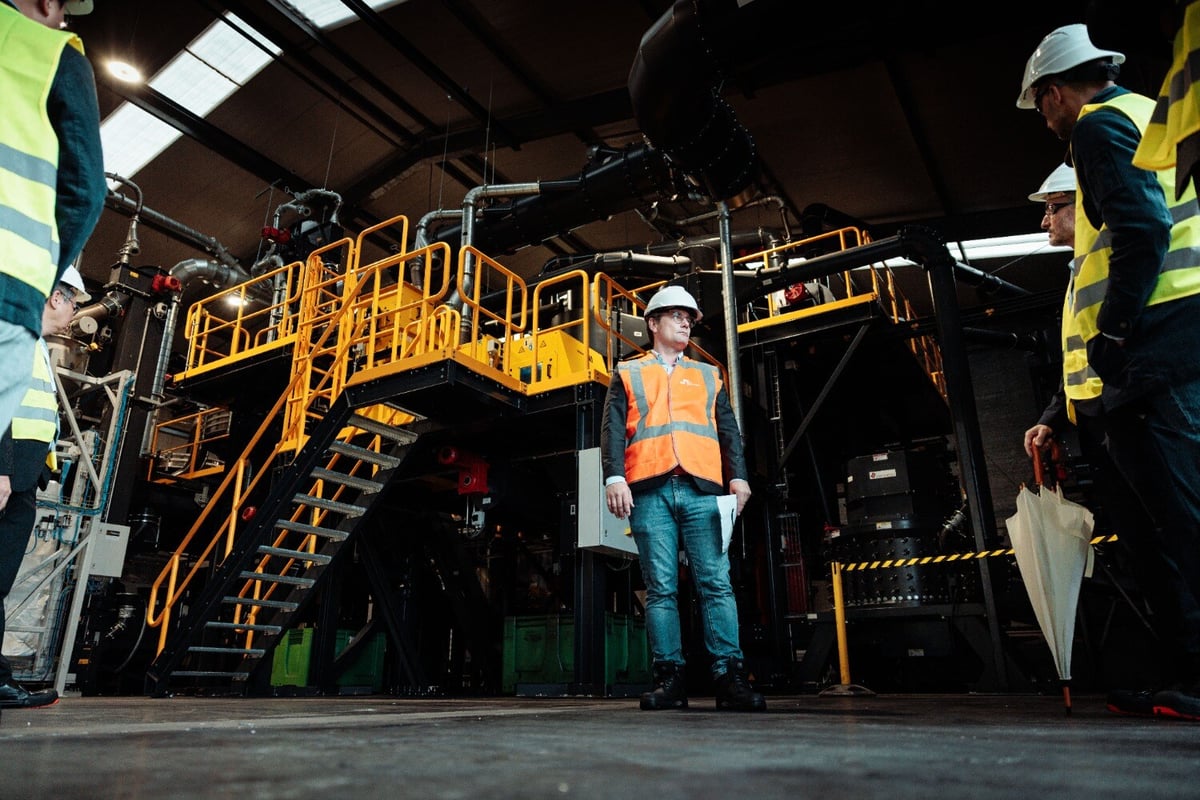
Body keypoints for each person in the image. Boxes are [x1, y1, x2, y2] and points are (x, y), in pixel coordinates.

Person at [1018, 23, 1200, 719]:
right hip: (1153, 356)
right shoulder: (1149, 116)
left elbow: (1146, 229)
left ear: (1055, 93)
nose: (1045, 118)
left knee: (1184, 522)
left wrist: (1116, 333)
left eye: (1040, 104)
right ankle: (1182, 675)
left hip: (1156, 348)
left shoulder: (1095, 127)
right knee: (1165, 532)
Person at [600, 284, 764, 712]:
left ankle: (730, 677)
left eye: (689, 317)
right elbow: (613, 429)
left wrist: (739, 478)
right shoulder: (628, 371)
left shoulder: (709, 375)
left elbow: (728, 430)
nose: (686, 322)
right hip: (650, 489)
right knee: (661, 588)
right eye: (677, 315)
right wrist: (614, 477)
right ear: (653, 323)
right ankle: (669, 678)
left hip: (702, 490)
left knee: (715, 583)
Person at [0, 0, 106, 444]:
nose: (63, 23)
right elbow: (85, 191)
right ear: (47, 3)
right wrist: (45, 273)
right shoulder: (51, 53)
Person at [0, 265, 89, 709]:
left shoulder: (29, 342)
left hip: (20, 479)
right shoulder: (13, 333)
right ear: (56, 296)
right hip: (5, 477)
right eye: (75, 302)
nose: (75, 313)